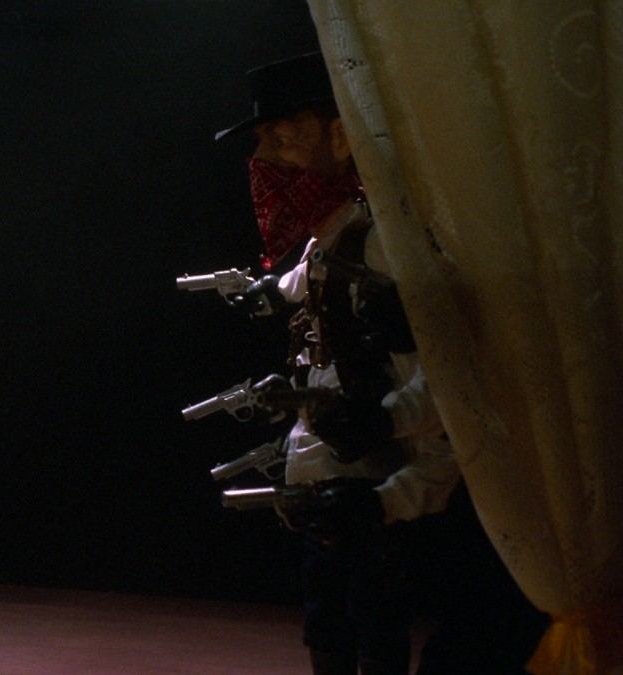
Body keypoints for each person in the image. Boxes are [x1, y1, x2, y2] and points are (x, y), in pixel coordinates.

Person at [216, 51, 546, 674]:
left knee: (374, 629)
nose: (264, 159)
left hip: (380, 490)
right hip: (329, 479)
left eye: (282, 138)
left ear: (341, 137)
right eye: (262, 141)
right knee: (330, 626)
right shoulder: (330, 238)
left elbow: (450, 387)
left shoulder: (384, 242)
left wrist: (388, 485)